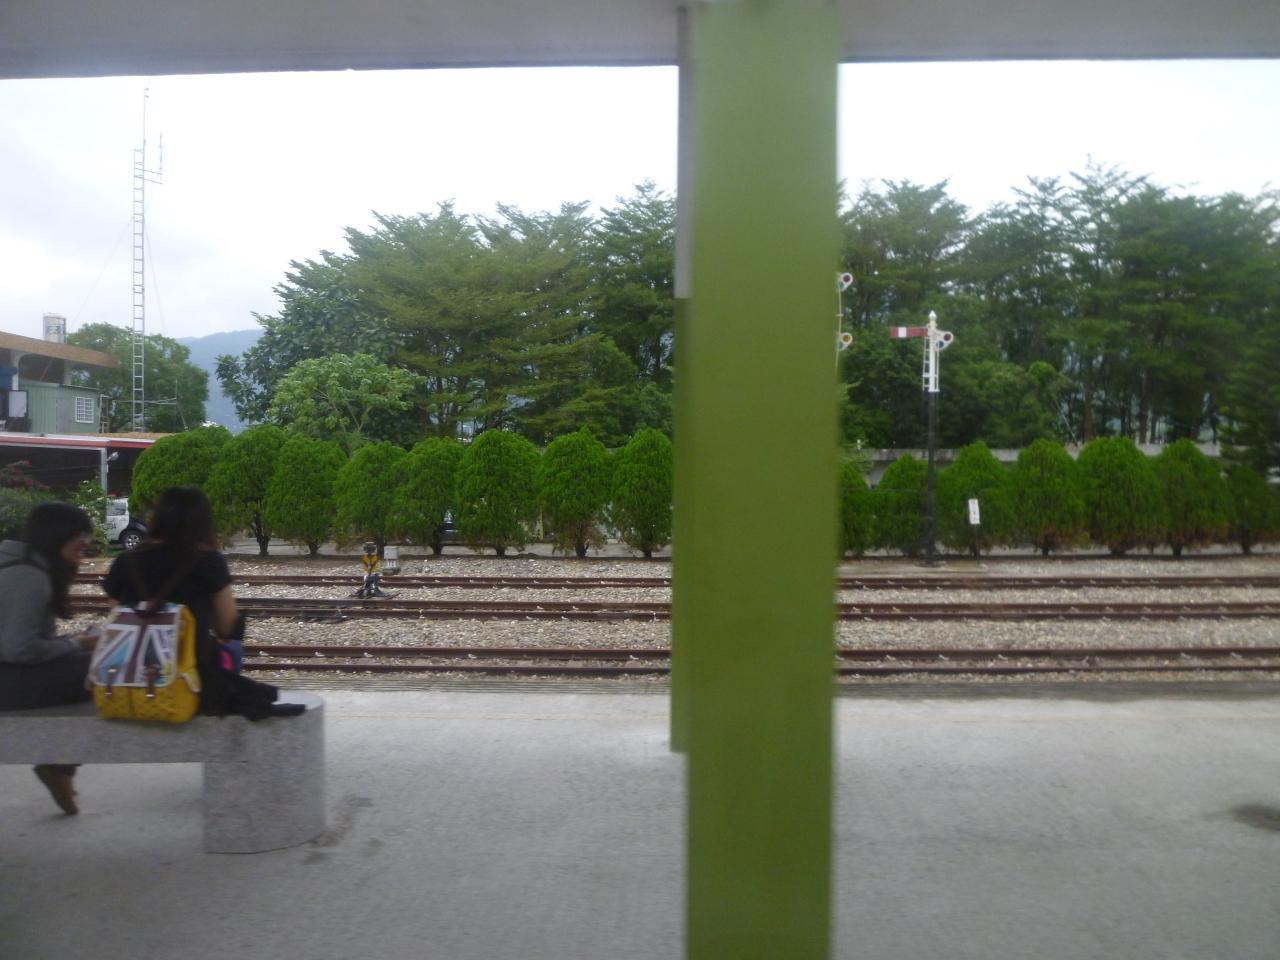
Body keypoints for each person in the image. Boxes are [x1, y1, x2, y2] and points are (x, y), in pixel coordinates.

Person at [103, 486, 301, 721]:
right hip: (191, 676)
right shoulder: (208, 560)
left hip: (128, 673)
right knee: (231, 649)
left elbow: (116, 618)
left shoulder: (124, 561)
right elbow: (227, 629)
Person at [0, 501, 98, 815]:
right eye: (79, 534)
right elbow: (19, 649)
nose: (85, 541)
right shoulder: (28, 576)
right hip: (7, 682)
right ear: (56, 534)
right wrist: (77, 644)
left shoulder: (20, 563)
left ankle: (58, 766)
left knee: (91, 663)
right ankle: (59, 767)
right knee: (100, 669)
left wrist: (74, 643)